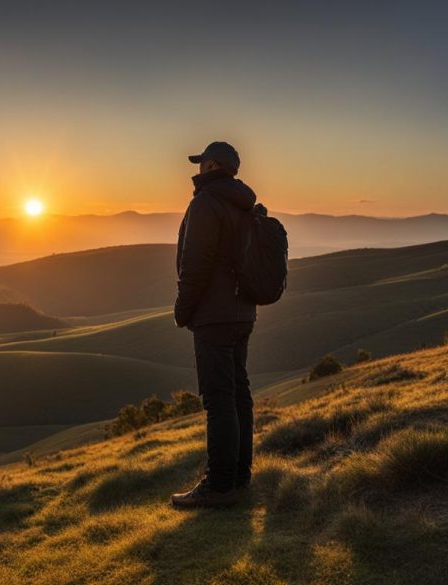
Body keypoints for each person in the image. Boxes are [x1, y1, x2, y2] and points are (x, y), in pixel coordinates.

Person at [170, 141, 257, 508]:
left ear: (212, 166)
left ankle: (219, 487)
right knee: (238, 394)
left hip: (214, 317)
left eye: (202, 161)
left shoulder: (205, 203)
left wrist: (183, 309)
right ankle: (239, 476)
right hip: (242, 312)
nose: (198, 167)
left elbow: (196, 264)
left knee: (219, 399)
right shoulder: (244, 204)